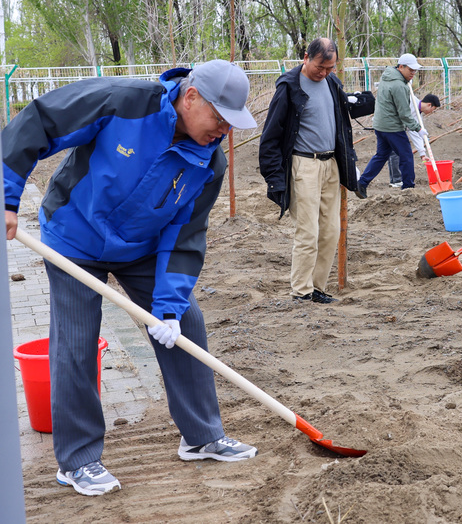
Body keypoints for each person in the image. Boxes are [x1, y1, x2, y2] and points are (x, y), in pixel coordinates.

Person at [2, 60, 259, 496]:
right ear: (191, 96)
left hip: (140, 247)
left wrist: (169, 309)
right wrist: (7, 197)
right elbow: (40, 122)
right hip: (74, 235)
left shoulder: (208, 164)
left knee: (186, 327)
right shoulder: (122, 102)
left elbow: (184, 236)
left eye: (231, 124)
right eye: (219, 118)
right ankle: (78, 460)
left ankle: (201, 436)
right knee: (77, 337)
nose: (223, 131)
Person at [259, 38, 374, 304]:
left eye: (330, 68)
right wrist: (275, 180)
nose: (323, 73)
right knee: (308, 232)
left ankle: (318, 288)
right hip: (304, 165)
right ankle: (301, 291)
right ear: (306, 57)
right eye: (320, 67)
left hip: (331, 164)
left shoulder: (333, 84)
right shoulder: (289, 87)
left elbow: (341, 123)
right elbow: (270, 137)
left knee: (331, 230)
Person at [356, 53, 426, 197]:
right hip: (392, 127)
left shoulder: (387, 77)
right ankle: (408, 189)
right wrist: (418, 128)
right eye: (411, 70)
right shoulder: (399, 86)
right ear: (401, 67)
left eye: (415, 70)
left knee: (381, 155)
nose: (413, 73)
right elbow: (404, 114)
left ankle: (362, 183)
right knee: (406, 156)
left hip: (380, 125)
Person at [388, 93, 441, 188]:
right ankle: (399, 181)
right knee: (400, 152)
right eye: (433, 109)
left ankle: (395, 180)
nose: (432, 112)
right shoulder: (411, 100)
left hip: (396, 128)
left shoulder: (418, 116)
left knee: (389, 153)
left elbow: (415, 134)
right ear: (429, 105)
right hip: (389, 125)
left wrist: (422, 154)